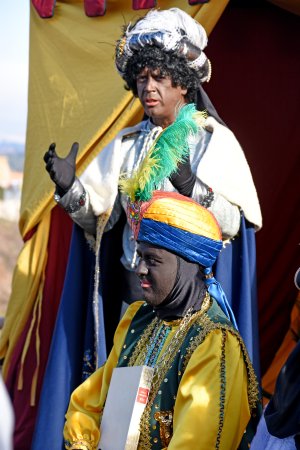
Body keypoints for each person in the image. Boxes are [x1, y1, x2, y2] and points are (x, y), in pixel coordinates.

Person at [43, 7, 262, 361]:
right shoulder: (126, 144)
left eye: (159, 77)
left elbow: (234, 225)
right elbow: (104, 226)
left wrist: (194, 187)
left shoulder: (214, 141)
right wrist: (70, 191)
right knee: (127, 396)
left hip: (189, 301)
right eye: (141, 78)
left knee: (179, 398)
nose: (149, 87)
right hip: (132, 296)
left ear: (182, 81)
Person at [63, 190, 260, 450]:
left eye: (152, 260)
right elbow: (88, 404)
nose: (140, 269)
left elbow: (195, 441)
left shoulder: (214, 343)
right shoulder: (138, 319)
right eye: (140, 256)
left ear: (188, 265)